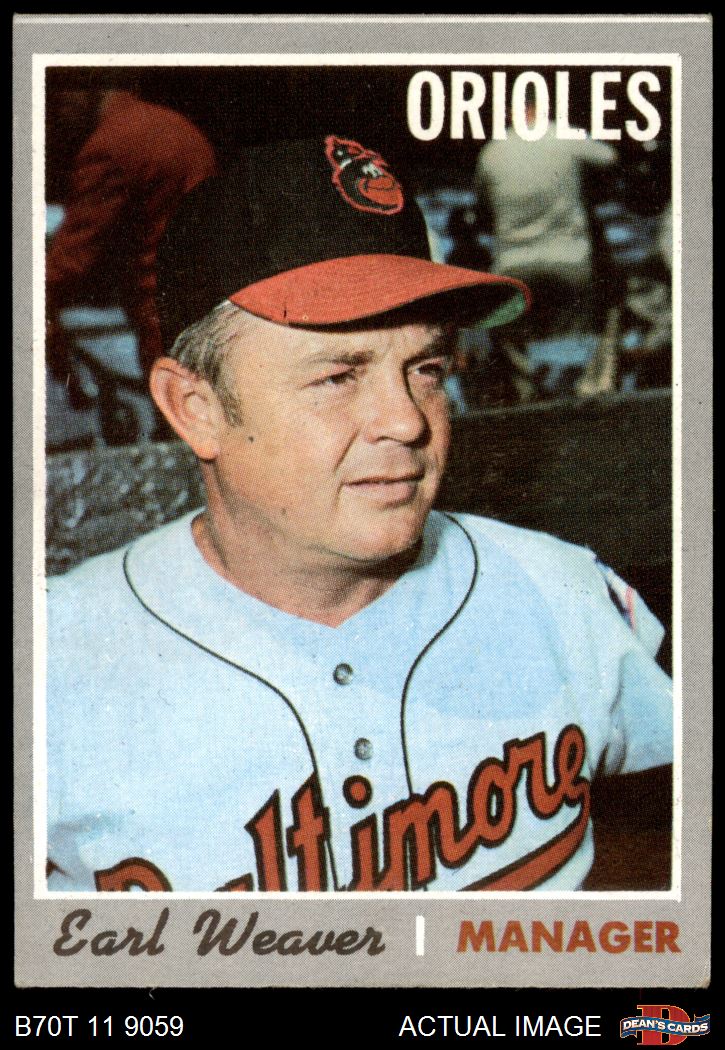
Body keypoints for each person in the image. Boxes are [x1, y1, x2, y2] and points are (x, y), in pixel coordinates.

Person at [46, 136, 672, 893]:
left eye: (427, 368)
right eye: (338, 375)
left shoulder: (565, 595)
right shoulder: (55, 667)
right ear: (195, 408)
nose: (406, 420)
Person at [46, 85, 217, 383]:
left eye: (61, 92)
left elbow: (73, 258)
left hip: (161, 315)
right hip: (208, 301)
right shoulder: (171, 124)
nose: (55, 110)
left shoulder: (110, 145)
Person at [475, 101, 618, 400]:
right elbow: (609, 157)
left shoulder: (491, 153)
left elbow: (483, 207)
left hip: (513, 265)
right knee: (576, 330)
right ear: (540, 109)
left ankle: (530, 394)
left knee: (513, 333)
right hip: (569, 259)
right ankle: (578, 390)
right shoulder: (563, 136)